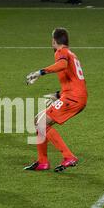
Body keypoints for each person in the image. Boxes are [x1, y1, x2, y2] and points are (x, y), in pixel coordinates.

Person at [24, 28, 87, 172]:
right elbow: (74, 80)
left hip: (73, 98)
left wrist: (39, 72)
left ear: (54, 41)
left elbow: (62, 65)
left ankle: (69, 157)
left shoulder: (61, 52)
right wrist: (58, 95)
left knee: (41, 123)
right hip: (73, 96)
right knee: (37, 120)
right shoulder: (71, 54)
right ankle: (42, 162)